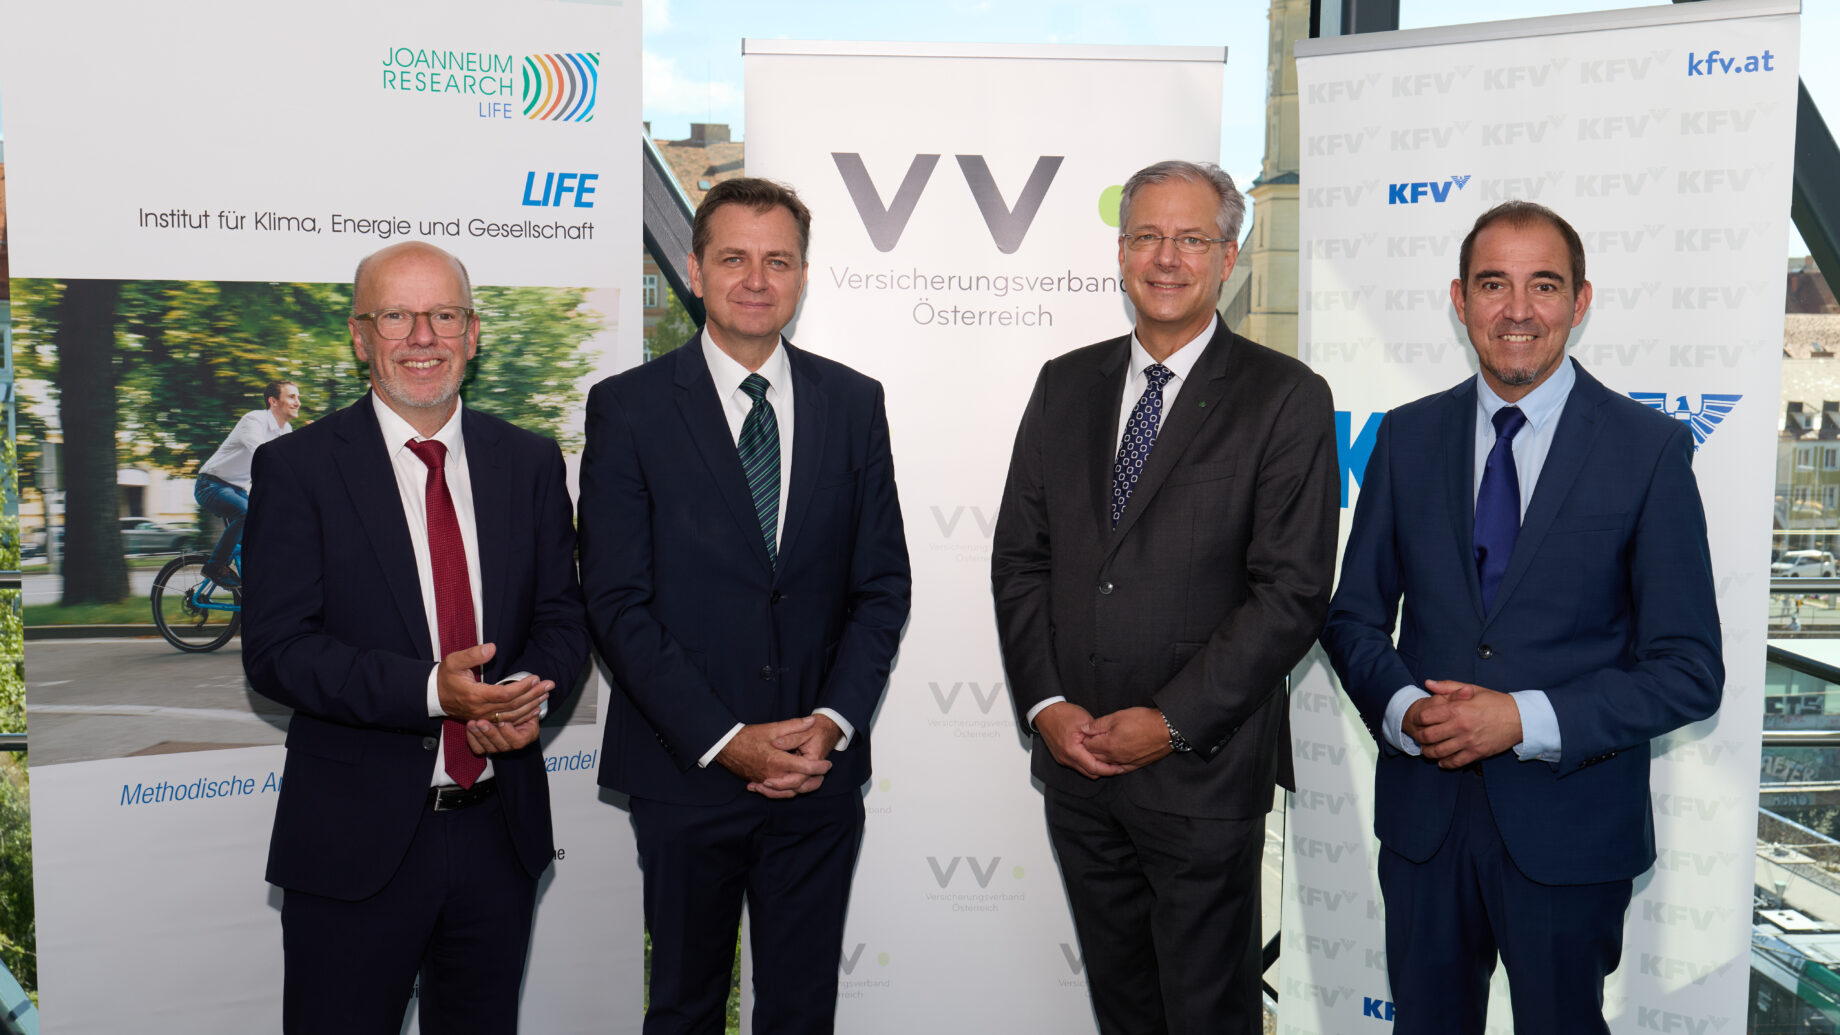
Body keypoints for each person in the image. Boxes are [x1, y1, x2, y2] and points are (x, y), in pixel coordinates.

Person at [1319, 201, 1723, 1034]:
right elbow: (1353, 616)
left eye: (1543, 285)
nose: (1517, 309)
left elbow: (1688, 667)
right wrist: (1405, 711)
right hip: (1424, 823)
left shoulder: (1648, 450)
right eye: (1493, 283)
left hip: (1569, 827)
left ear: (1579, 302)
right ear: (1460, 300)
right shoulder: (1404, 436)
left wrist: (1521, 718)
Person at [990, 159, 1339, 1034]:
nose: (1167, 257)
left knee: (1208, 1015)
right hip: (1078, 767)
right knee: (1124, 1010)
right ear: (1120, 252)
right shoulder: (1062, 384)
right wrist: (1046, 706)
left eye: (1192, 238)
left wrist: (1171, 719)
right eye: (1148, 235)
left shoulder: (1286, 398)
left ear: (1228, 255)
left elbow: (1291, 592)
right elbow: (1020, 561)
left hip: (1201, 776)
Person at [577, 177, 911, 1035]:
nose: (755, 278)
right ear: (693, 270)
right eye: (733, 257)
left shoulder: (854, 402)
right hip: (686, 771)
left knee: (802, 1011)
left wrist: (831, 722)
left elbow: (882, 586)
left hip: (818, 774)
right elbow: (616, 601)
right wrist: (728, 741)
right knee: (685, 1006)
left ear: (802, 277)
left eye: (778, 260)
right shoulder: (629, 408)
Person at [241, 241, 590, 1033]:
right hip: (351, 846)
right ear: (361, 335)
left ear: (473, 332)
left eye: (444, 315)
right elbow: (277, 650)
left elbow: (563, 618)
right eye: (396, 315)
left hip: (499, 833)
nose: (422, 336)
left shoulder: (530, 461)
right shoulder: (297, 469)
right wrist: (436, 692)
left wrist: (526, 691)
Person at [194, 379, 299, 586]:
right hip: (210, 485)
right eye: (291, 396)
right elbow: (265, 455)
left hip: (237, 490)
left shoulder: (286, 430)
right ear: (273, 401)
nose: (297, 402)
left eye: (298, 397)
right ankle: (214, 566)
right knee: (247, 512)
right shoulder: (254, 421)